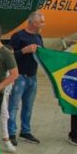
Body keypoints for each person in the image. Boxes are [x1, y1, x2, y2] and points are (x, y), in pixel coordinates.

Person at [7, 10, 45, 146]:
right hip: (19, 77)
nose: (43, 24)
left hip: (32, 77)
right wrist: (24, 50)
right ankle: (10, 133)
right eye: (41, 22)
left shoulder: (38, 37)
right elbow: (9, 56)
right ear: (33, 22)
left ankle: (25, 131)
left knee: (28, 106)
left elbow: (43, 55)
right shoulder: (18, 36)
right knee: (13, 106)